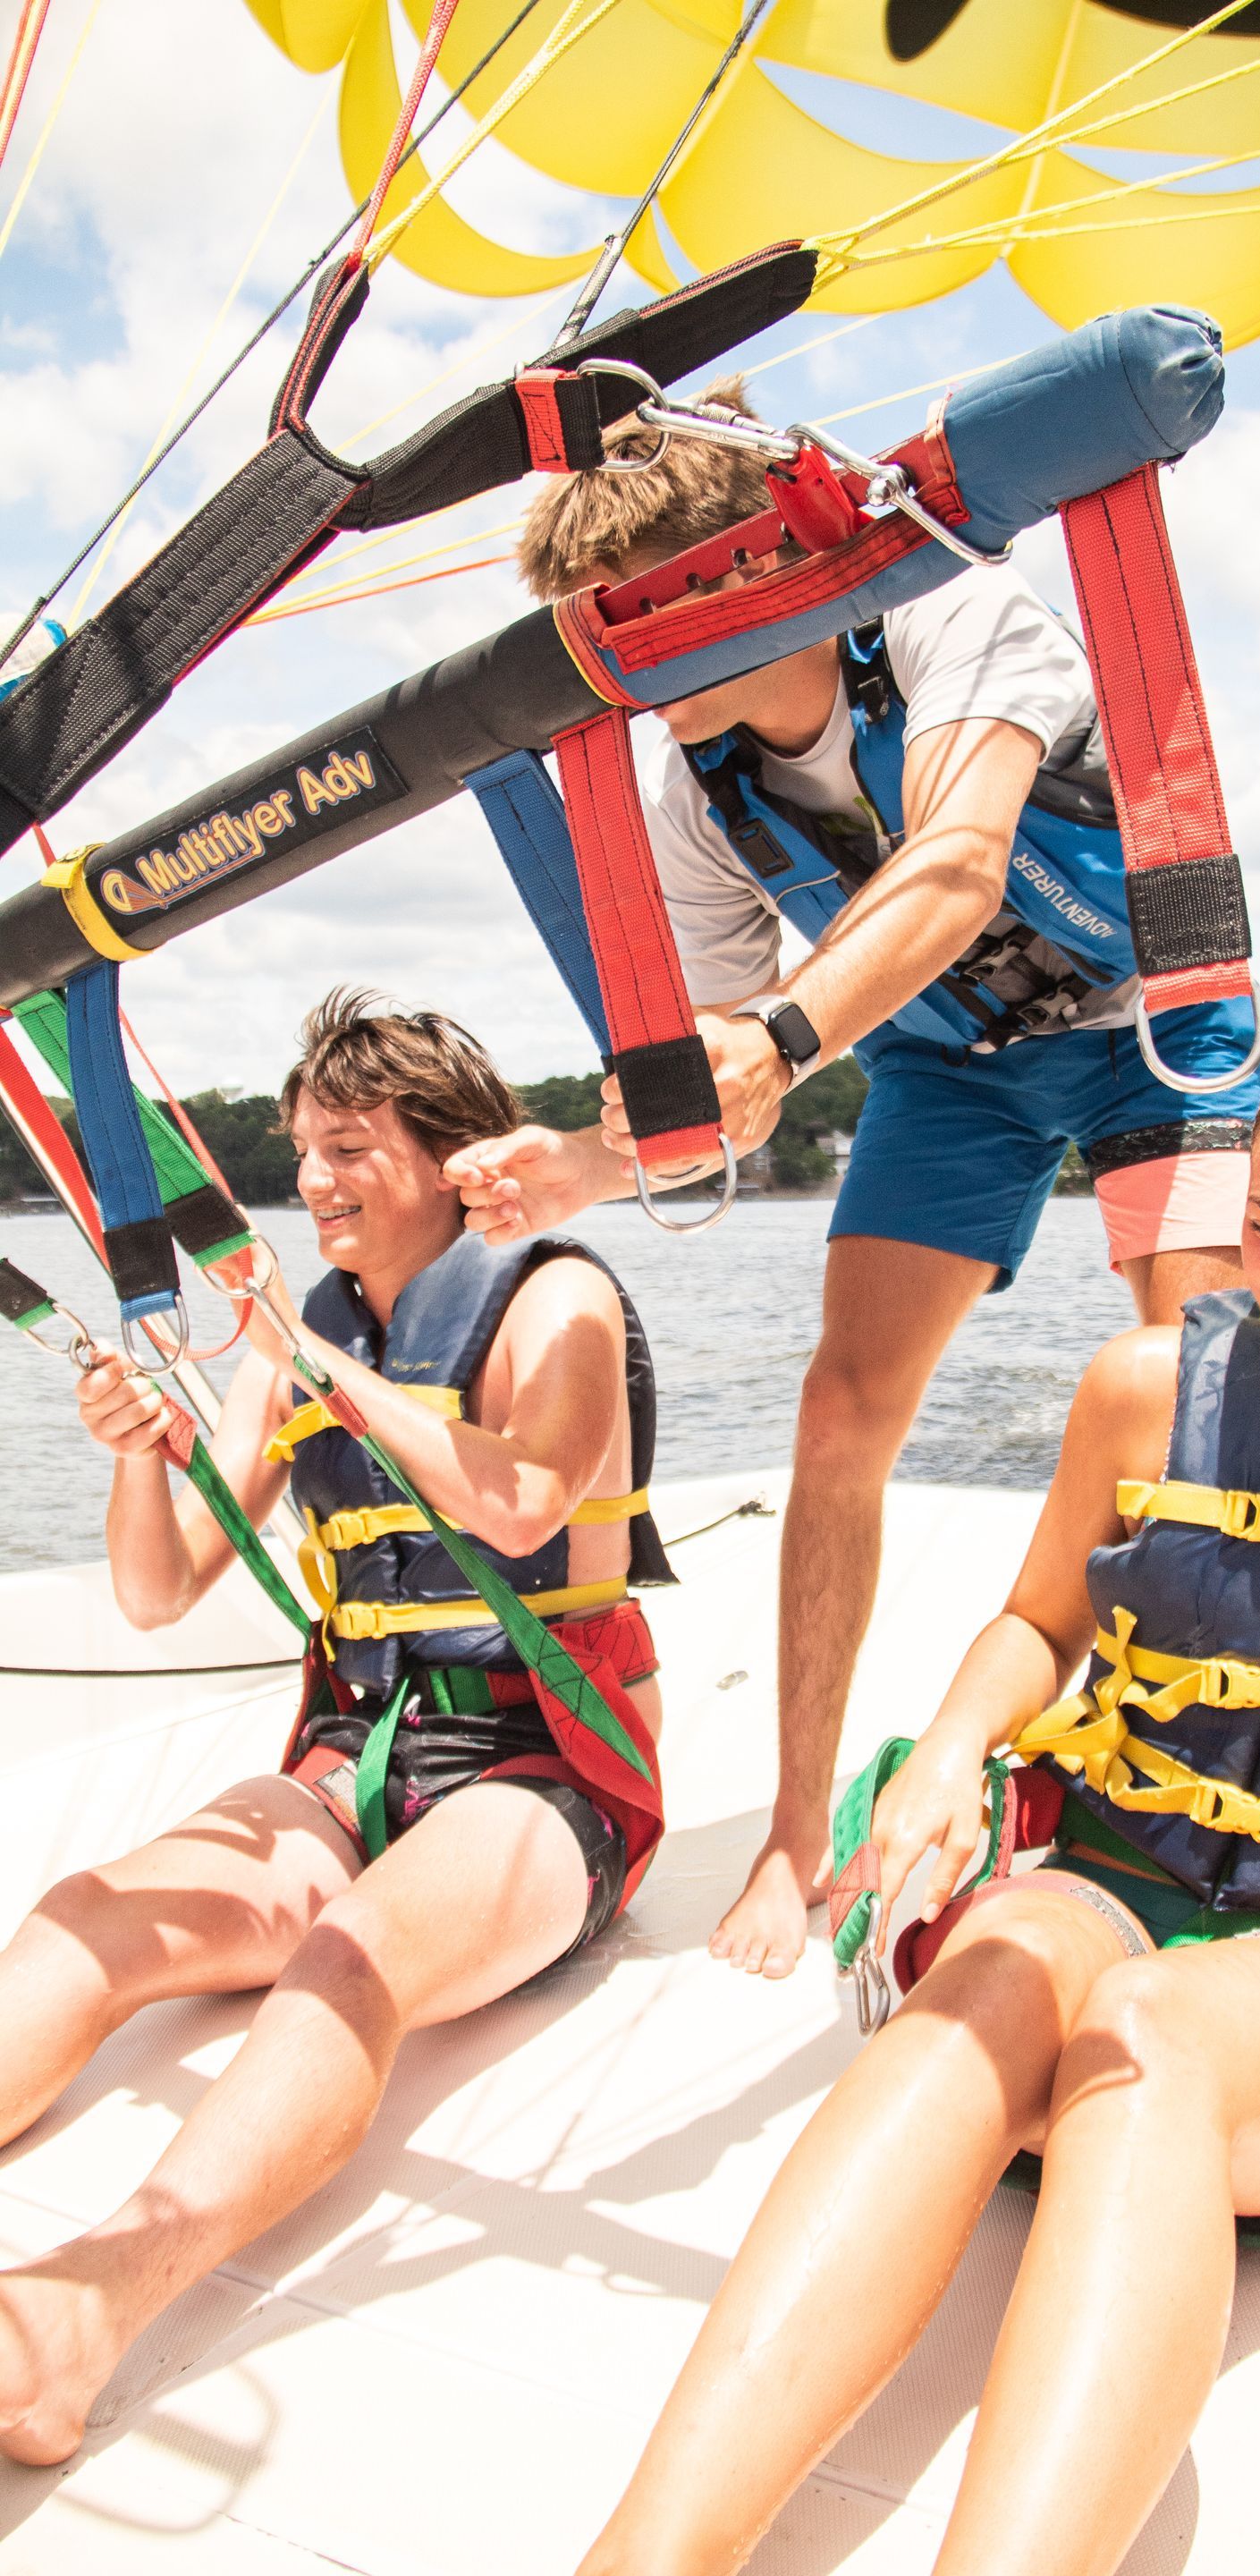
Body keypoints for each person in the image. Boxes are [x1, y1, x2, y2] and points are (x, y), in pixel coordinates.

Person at [576, 1038, 1260, 2576]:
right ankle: (650, 2557)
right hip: (1117, 1875)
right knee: (981, 1978)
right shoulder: (1139, 1388)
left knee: (1160, 2025)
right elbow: (1039, 1623)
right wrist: (945, 1752)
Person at [452, 378, 1260, 1979]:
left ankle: (1195, 1801)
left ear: (753, 581)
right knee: (838, 1415)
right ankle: (796, 1837)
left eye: (636, 630)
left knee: (1192, 1405)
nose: (622, 675)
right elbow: (723, 1081)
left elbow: (957, 871)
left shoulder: (960, 614)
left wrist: (784, 1030)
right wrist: (589, 1167)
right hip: (947, 1073)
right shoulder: (692, 792)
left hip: (1149, 1023)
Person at [0, 988, 670, 2468]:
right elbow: (159, 1588)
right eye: (303, 1149)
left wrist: (327, 1376)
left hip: (545, 1774)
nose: (311, 1183)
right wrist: (134, 1454)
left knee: (342, 1967)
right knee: (90, 1917)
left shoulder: (556, 1297)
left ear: (448, 1158)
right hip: (354, 1761)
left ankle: (77, 2319)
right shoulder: (289, 1338)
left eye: (350, 1148)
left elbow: (521, 1501)